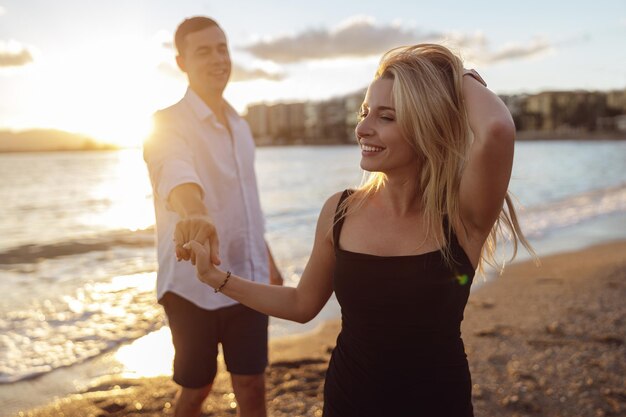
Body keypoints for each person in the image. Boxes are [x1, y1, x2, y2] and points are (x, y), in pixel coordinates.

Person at [185, 43, 533, 416]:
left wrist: (453, 75)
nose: (363, 128)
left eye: (386, 117)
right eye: (365, 112)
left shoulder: (462, 215)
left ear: (426, 124)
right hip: (349, 401)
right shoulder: (341, 210)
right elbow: (302, 305)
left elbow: (496, 128)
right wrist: (216, 277)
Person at [143, 16, 282, 417]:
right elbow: (174, 169)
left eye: (222, 48)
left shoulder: (241, 126)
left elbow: (247, 206)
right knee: (196, 387)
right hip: (190, 286)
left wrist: (267, 259)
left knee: (253, 385)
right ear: (182, 62)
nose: (218, 58)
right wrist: (196, 213)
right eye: (204, 50)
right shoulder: (165, 122)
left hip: (248, 278)